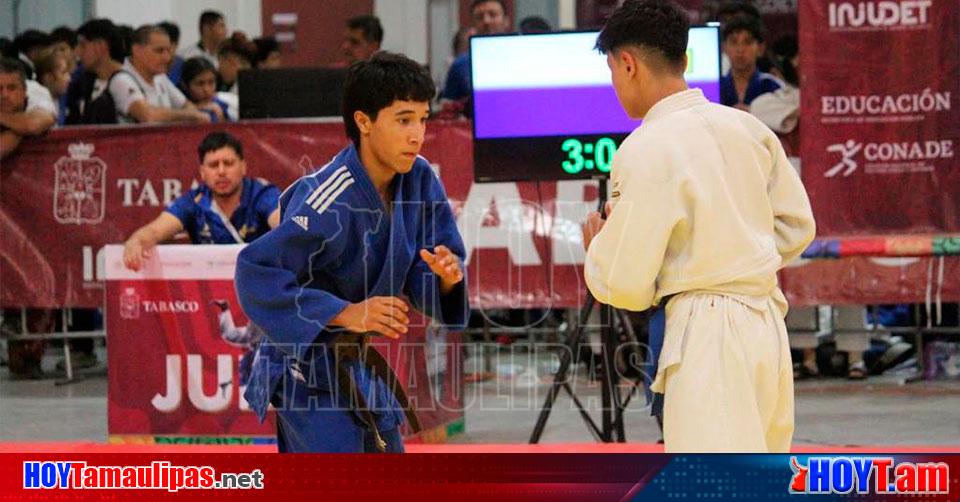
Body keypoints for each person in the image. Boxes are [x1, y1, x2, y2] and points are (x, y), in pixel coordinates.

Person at [582, 0, 815, 452]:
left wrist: (599, 249)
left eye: (611, 71)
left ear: (627, 64)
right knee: (761, 482)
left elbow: (626, 284)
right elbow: (796, 226)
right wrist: (739, 255)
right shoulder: (748, 129)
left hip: (707, 335)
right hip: (765, 320)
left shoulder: (645, 147)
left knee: (715, 485)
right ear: (684, 60)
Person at [234, 52, 469, 453]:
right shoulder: (328, 196)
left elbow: (422, 271)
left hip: (353, 363)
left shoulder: (419, 179)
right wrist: (348, 313)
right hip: (303, 371)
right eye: (403, 119)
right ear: (363, 122)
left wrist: (446, 280)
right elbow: (254, 270)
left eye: (423, 119)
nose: (417, 134)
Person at [123, 131, 280, 271]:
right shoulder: (194, 201)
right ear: (202, 172)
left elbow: (283, 223)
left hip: (259, 284)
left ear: (243, 166)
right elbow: (155, 231)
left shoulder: (262, 194)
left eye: (228, 163)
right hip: (210, 288)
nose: (221, 171)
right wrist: (136, 241)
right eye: (213, 165)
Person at [115, 25, 210, 124]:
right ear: (137, 50)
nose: (167, 58)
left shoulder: (160, 76)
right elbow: (148, 116)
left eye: (168, 51)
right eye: (159, 51)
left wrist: (191, 114)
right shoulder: (122, 79)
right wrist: (190, 115)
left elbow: (186, 106)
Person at [440, 0, 511, 103]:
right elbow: (448, 108)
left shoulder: (524, 58)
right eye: (479, 17)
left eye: (493, 15)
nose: (486, 21)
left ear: (506, 21)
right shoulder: (460, 64)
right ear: (473, 24)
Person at [64, 18, 126, 125]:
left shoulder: (128, 82)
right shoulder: (80, 85)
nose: (77, 52)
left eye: (83, 45)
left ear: (101, 47)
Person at [720, 14, 781, 110]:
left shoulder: (773, 86)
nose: (740, 50)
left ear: (760, 49)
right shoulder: (717, 87)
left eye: (747, 42)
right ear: (724, 48)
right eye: (733, 42)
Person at [0, 58, 56, 159]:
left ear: (24, 91)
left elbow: (32, 125)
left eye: (11, 88)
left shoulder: (36, 92)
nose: (4, 95)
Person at [179, 57, 231, 122]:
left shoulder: (221, 105)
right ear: (185, 85)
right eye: (200, 84)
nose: (206, 90)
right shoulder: (175, 107)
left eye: (211, 82)